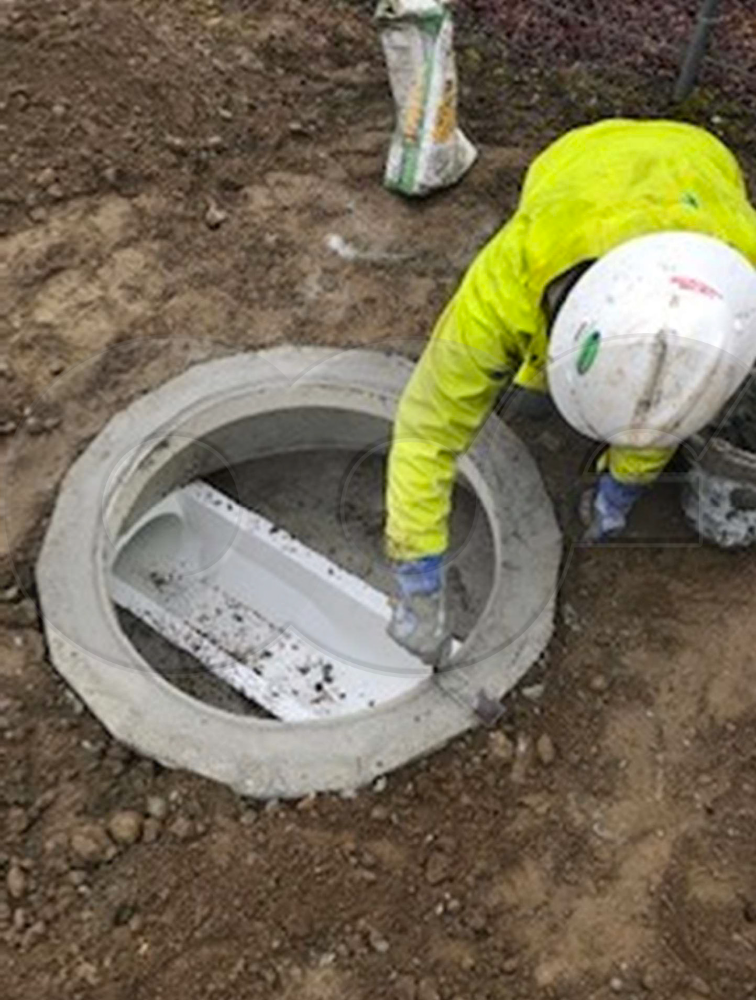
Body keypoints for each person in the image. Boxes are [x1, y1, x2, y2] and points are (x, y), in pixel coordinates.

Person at [384, 119, 756, 665]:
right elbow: (426, 431)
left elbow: (666, 405)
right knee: (525, 395)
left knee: (664, 389)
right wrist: (417, 569)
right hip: (578, 163)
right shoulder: (502, 291)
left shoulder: (738, 281)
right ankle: (545, 382)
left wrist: (624, 485)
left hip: (700, 166)